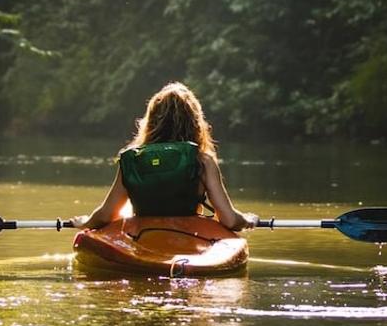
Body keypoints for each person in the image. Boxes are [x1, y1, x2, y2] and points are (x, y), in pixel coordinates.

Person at [71, 82, 258, 231]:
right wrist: (248, 219)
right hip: (189, 236)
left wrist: (86, 222)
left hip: (142, 237)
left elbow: (106, 215)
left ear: (151, 121)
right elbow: (230, 220)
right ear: (195, 122)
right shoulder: (203, 161)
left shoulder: (133, 160)